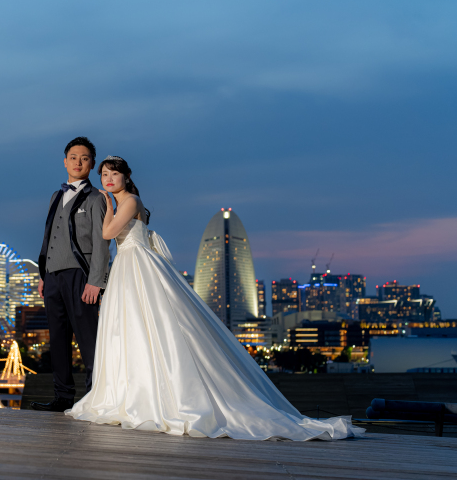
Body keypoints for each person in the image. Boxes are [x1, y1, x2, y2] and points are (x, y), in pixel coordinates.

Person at [65, 155, 365, 441]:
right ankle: (132, 393)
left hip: (137, 267)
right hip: (127, 268)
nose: (107, 179)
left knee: (153, 325)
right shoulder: (123, 202)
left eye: (113, 173)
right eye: (104, 174)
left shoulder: (128, 201)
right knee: (132, 329)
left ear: (126, 176)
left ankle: (157, 397)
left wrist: (104, 205)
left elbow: (106, 234)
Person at [31, 137, 111, 412]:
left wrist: (96, 281)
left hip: (81, 277)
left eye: (85, 158)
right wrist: (43, 274)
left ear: (91, 165)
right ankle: (63, 397)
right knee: (58, 339)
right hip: (53, 277)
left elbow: (102, 243)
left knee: (88, 339)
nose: (78, 162)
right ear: (65, 161)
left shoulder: (96, 198)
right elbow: (48, 236)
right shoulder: (56, 196)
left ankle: (94, 399)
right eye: (73, 157)